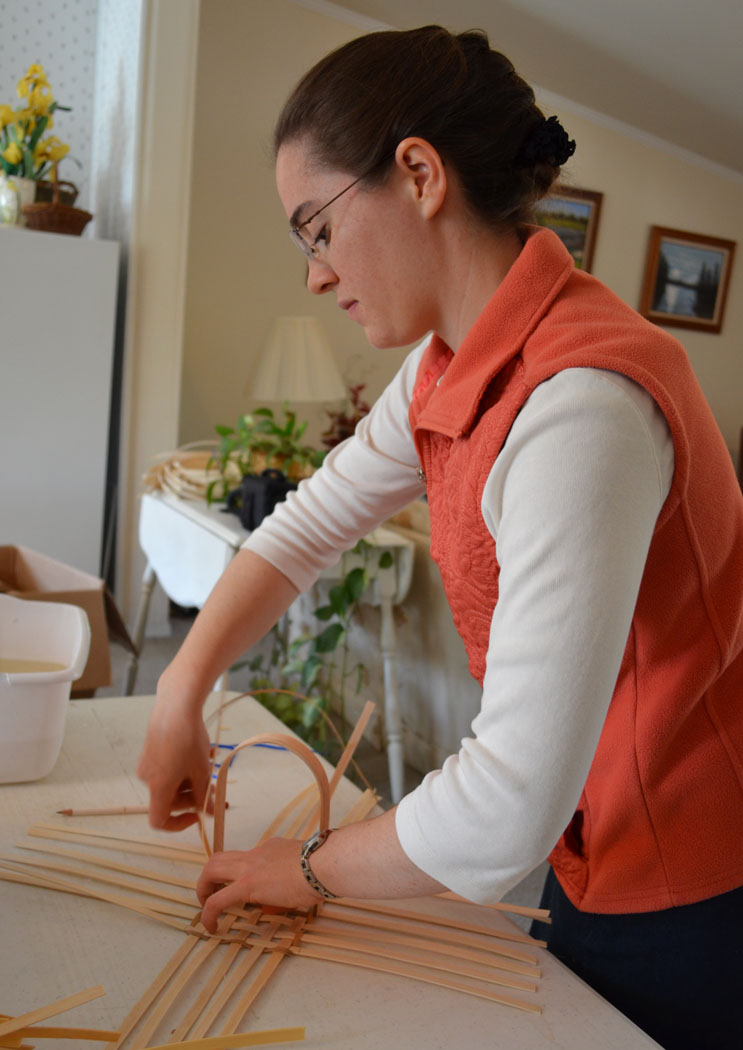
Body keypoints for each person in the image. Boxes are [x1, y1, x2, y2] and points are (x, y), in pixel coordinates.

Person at [137, 25, 743, 1050]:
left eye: (316, 228)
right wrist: (177, 689)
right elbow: (303, 529)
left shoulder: (581, 407)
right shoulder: (443, 367)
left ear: (417, 173)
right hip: (586, 843)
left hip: (691, 891)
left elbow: (505, 795)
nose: (315, 275)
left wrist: (308, 865)